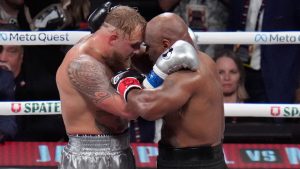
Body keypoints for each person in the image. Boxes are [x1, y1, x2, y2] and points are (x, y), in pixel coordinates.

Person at [112, 12, 227, 169]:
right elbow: (157, 67)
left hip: (192, 163)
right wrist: (133, 55)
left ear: (166, 45)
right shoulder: (204, 59)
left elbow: (148, 109)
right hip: (193, 158)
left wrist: (126, 82)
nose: (146, 51)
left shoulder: (187, 76)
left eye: (148, 46)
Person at [56, 3, 147, 169]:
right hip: (90, 158)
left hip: (122, 148)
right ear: (113, 38)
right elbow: (129, 111)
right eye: (134, 45)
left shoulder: (113, 52)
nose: (137, 50)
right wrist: (158, 76)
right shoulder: (82, 65)